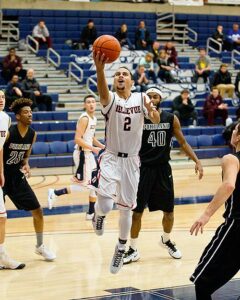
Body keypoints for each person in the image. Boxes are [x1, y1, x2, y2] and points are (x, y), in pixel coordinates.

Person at [91, 51, 160, 274]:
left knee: (126, 210)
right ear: (114, 80)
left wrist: (152, 112)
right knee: (106, 205)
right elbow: (101, 91)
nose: (121, 76)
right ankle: (99, 215)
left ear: (131, 80)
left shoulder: (142, 98)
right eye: (117, 74)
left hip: (131, 161)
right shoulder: (109, 99)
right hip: (111, 157)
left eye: (125, 73)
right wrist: (100, 69)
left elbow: (156, 119)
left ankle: (121, 248)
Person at [123, 87, 203, 264]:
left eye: (155, 96)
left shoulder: (170, 118)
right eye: (149, 96)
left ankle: (166, 240)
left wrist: (196, 160)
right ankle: (133, 249)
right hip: (142, 169)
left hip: (163, 169)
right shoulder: (139, 118)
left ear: (160, 98)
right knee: (136, 212)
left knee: (169, 211)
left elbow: (182, 142)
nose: (152, 98)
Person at [190, 122, 240, 300]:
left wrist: (206, 214)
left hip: (236, 227)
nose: (232, 132)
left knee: (202, 281)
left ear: (238, 136)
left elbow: (228, 185)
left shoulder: (231, 158)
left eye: (234, 129)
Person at [3, 98, 56, 262]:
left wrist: (26, 164)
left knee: (38, 211)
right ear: (18, 116)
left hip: (17, 178)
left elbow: (26, 155)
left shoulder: (33, 134)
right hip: (2, 177)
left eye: (30, 111)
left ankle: (40, 246)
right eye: (26, 112)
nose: (30, 114)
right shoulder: (9, 132)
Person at [48, 95, 105, 220]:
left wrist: (102, 146)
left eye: (93, 102)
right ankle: (55, 193)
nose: (91, 104)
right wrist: (93, 148)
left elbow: (91, 137)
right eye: (88, 102)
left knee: (94, 183)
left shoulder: (94, 118)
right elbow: (77, 139)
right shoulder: (84, 118)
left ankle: (90, 213)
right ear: (85, 105)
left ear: (96, 104)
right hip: (82, 154)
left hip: (89, 154)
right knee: (85, 185)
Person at [0, 90, 25, 270]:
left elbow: (0, 148)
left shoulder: (5, 119)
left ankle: (2, 256)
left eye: (2, 97)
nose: (1, 100)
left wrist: (1, 171)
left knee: (2, 217)